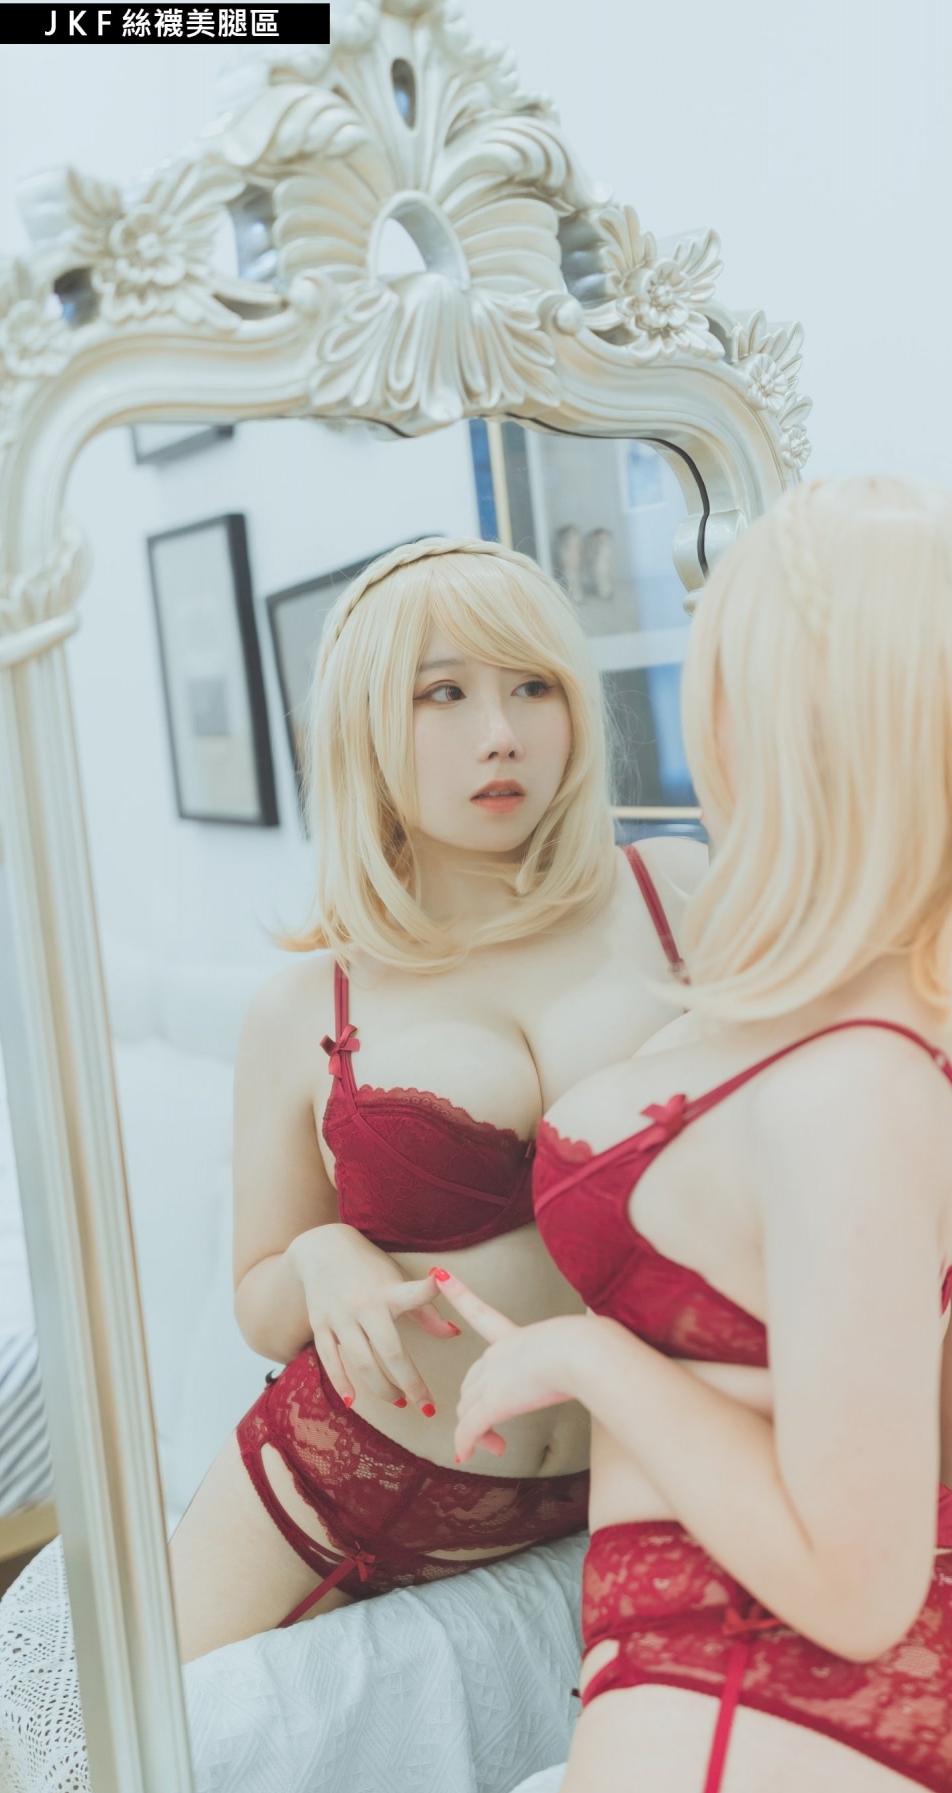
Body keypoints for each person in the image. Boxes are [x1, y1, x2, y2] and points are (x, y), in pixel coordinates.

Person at [432, 478, 952, 1793]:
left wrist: (594, 1361)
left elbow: (853, 1591)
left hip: (769, 1663)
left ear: (766, 718)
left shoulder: (843, 1090)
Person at [169, 536, 704, 1662]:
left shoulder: (677, 893)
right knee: (138, 1741)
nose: (500, 733)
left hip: (651, 1458)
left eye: (533, 686)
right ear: (365, 727)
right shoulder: (305, 1006)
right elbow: (260, 1297)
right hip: (358, 1479)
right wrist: (322, 1255)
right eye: (443, 694)